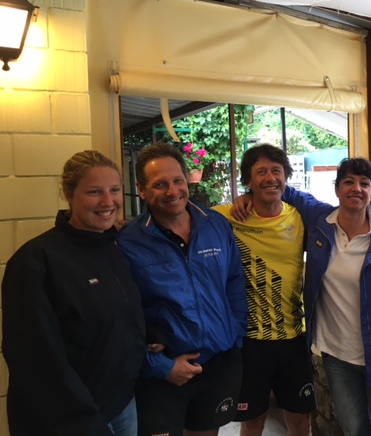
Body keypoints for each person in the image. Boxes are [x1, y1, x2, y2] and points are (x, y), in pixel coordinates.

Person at [233, 156, 371, 436]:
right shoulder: (321, 220)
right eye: (348, 182)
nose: (356, 188)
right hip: (335, 354)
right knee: (353, 430)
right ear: (336, 189)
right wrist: (249, 194)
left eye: (364, 183)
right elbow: (281, 188)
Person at [1, 150, 146, 436]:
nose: (108, 201)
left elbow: (120, 317)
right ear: (69, 193)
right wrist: (86, 423)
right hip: (71, 419)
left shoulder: (111, 247)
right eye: (94, 191)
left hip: (121, 404)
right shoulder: (36, 260)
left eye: (114, 190)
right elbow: (34, 359)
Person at [117, 142, 247, 436]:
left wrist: (235, 332)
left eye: (177, 180)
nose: (172, 191)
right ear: (141, 190)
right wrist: (159, 366)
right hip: (163, 372)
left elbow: (234, 283)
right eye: (159, 184)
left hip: (218, 362)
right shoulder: (128, 242)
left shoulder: (216, 224)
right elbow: (122, 316)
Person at [214, 143, 315, 436]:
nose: (270, 178)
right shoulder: (227, 216)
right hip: (251, 341)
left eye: (276, 171)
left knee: (300, 419)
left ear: (286, 176)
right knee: (253, 420)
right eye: (261, 172)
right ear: (248, 180)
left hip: (294, 337)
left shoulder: (299, 217)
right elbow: (182, 217)